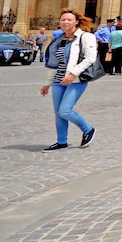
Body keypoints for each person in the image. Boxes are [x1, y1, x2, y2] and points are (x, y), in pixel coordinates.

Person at [38, 9, 98, 151]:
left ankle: (88, 129)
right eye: (63, 19)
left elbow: (90, 58)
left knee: (65, 110)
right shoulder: (58, 39)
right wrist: (47, 83)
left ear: (76, 21)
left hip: (76, 80)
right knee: (58, 113)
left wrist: (72, 74)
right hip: (59, 80)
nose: (65, 22)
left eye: (69, 20)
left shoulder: (86, 37)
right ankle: (61, 141)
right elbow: (54, 63)